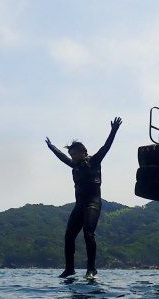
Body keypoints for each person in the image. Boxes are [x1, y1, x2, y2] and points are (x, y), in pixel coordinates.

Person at [45, 117, 122, 278]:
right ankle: (69, 269)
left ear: (83, 151)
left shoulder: (94, 161)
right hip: (79, 205)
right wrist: (52, 148)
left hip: (92, 203)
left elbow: (106, 147)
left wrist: (113, 130)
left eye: (74, 154)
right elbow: (62, 157)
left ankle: (91, 269)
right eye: (71, 154)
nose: (72, 157)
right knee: (69, 236)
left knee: (88, 233)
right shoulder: (74, 165)